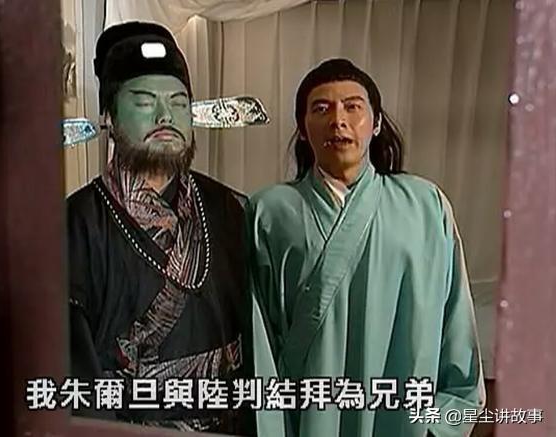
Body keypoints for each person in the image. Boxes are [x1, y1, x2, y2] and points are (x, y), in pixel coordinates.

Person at [247, 58, 485, 437]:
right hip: (304, 419)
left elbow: (455, 321)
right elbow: (257, 339)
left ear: (375, 123)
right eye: (321, 109)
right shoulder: (269, 211)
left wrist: (440, 424)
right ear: (303, 130)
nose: (338, 120)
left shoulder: (426, 205)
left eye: (353, 107)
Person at [67, 21, 247, 433]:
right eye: (145, 101)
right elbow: (73, 372)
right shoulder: (76, 224)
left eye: (179, 103)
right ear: (109, 117)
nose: (166, 116)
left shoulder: (228, 207)